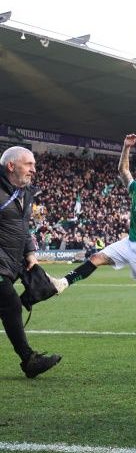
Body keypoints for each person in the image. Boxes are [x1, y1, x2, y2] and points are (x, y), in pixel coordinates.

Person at [60, 134, 136, 336]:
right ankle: (63, 283)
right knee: (95, 258)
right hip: (128, 243)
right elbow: (124, 170)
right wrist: (126, 147)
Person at [0, 146, 62, 378]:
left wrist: (30, 253)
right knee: (11, 304)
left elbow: (24, 229)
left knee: (7, 306)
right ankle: (29, 360)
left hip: (12, 262)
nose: (34, 170)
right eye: (29, 164)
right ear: (11, 166)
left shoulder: (24, 194)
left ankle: (29, 360)